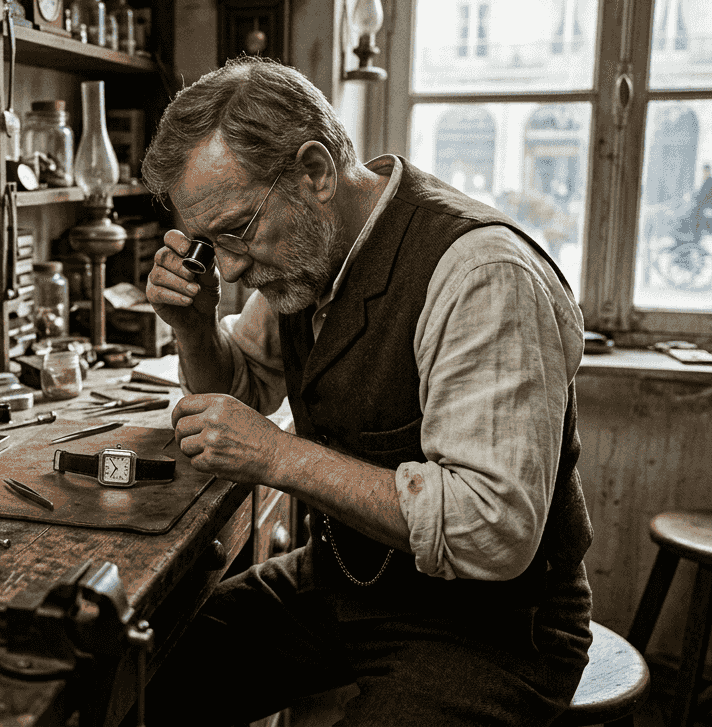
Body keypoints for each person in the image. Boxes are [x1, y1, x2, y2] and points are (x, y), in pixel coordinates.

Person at [142, 57, 593, 726]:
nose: (230, 267)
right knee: (143, 683)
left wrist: (279, 458)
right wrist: (193, 326)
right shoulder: (304, 253)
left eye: (236, 230)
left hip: (490, 629)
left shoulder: (481, 275)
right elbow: (244, 389)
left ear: (316, 172)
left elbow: (491, 532)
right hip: (348, 584)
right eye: (211, 244)